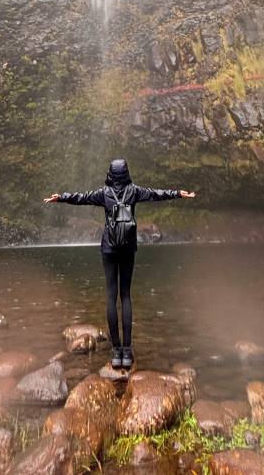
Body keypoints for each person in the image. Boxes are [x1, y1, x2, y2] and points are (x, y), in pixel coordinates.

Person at [44, 158, 196, 369]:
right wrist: (179, 193)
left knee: (110, 296)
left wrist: (61, 197)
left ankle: (116, 351)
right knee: (125, 295)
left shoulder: (103, 193)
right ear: (126, 173)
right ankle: (127, 350)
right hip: (127, 248)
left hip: (109, 248)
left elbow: (81, 198)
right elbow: (156, 194)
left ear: (110, 174)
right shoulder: (134, 191)